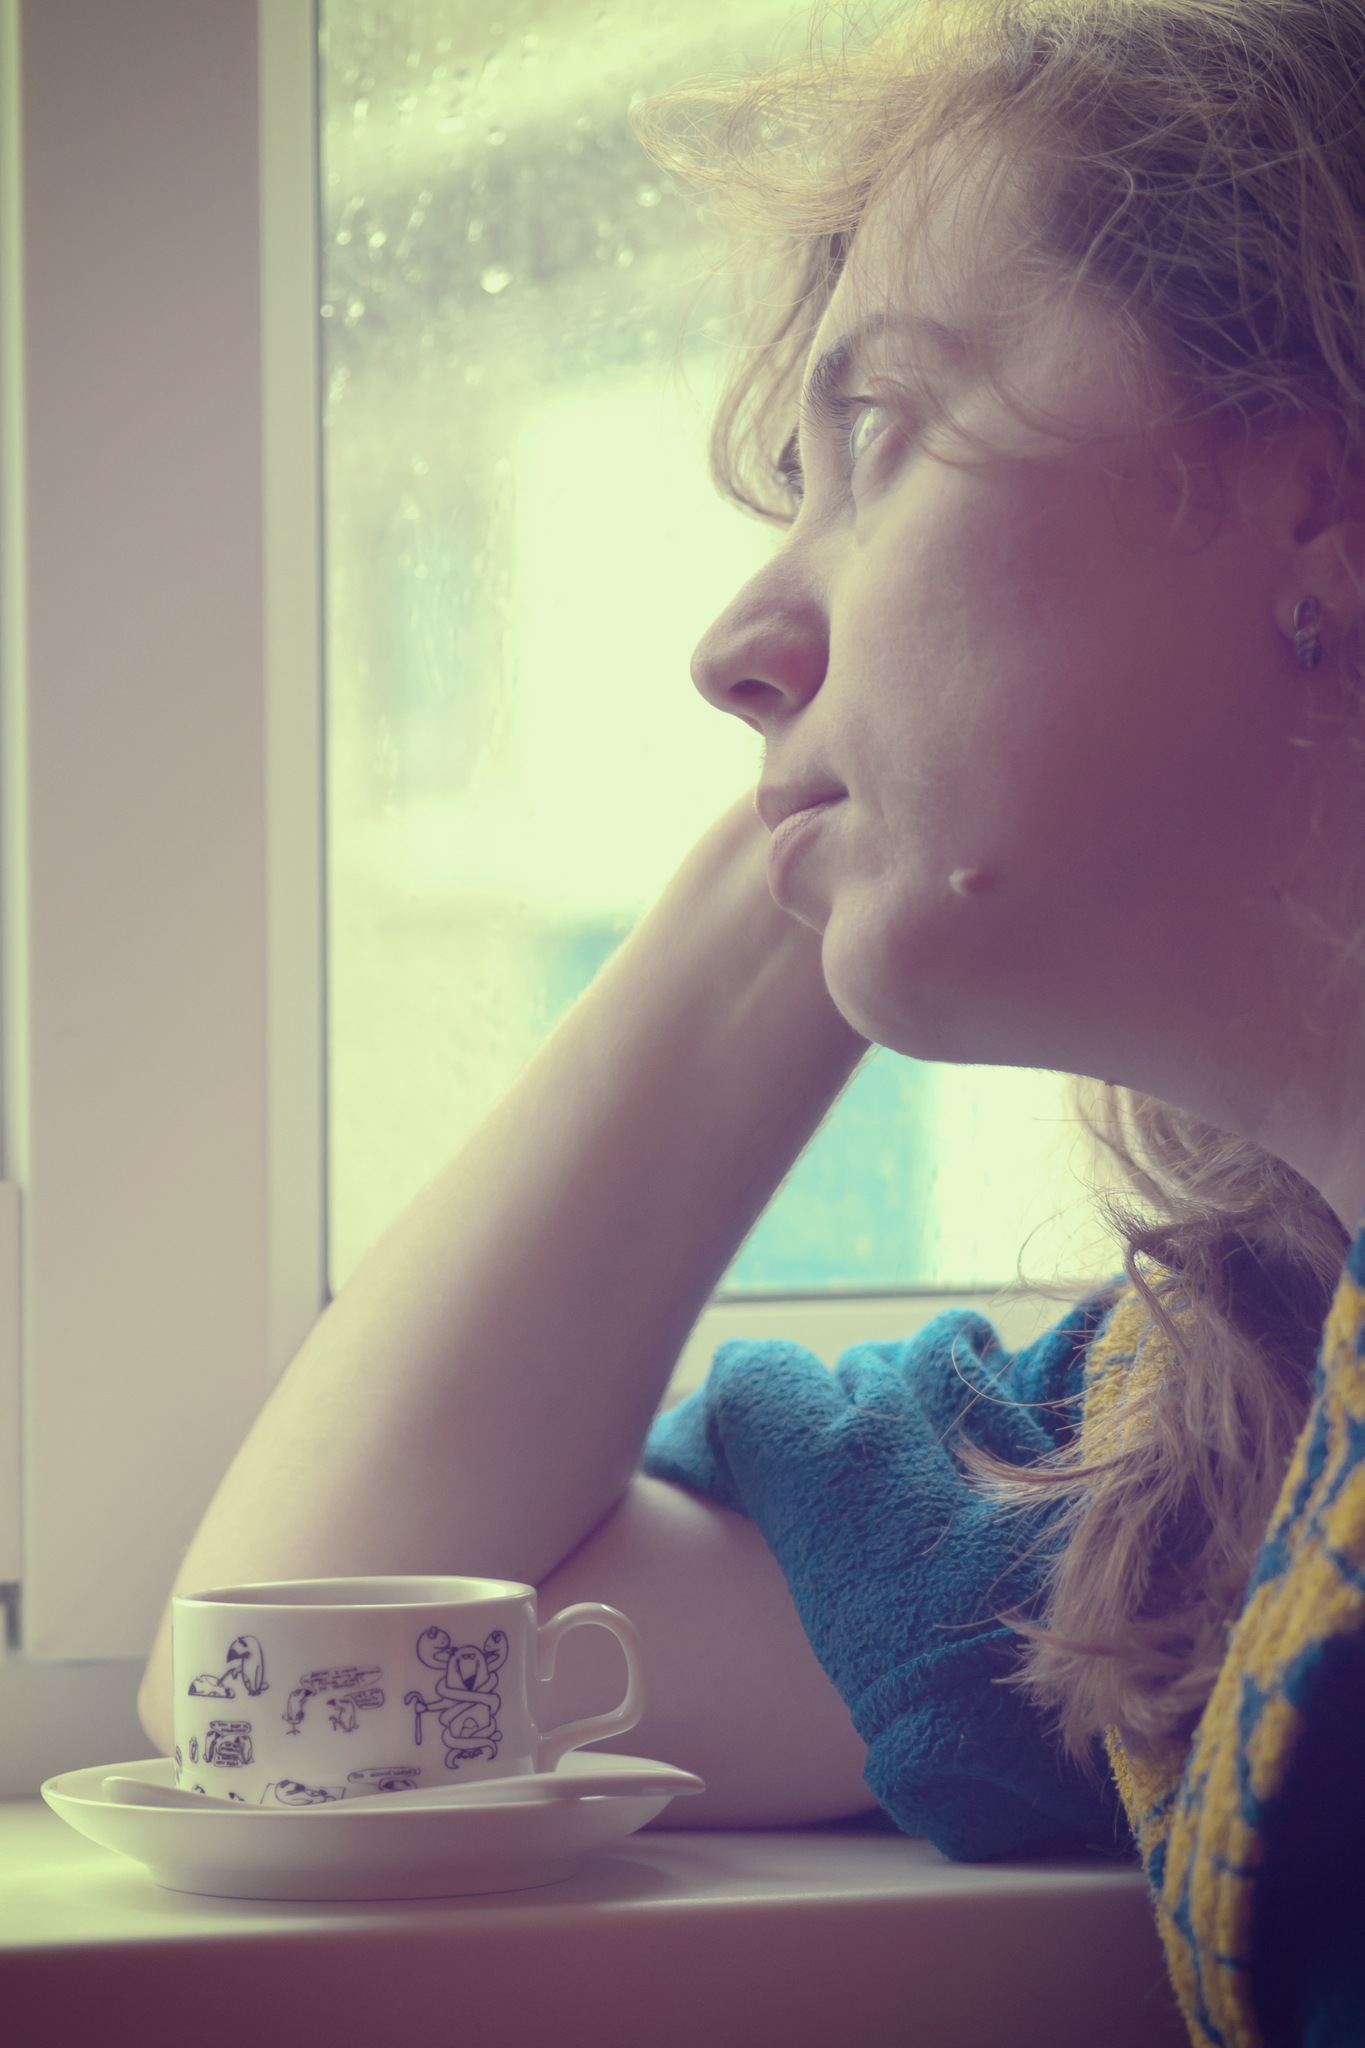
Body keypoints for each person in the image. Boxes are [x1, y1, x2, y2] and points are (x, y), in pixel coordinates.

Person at [139, 0, 1365, 2038]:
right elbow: (308, 1684)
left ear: (1319, 493)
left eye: (877, 439)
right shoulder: (1215, 1438)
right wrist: (820, 839)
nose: (730, 647)